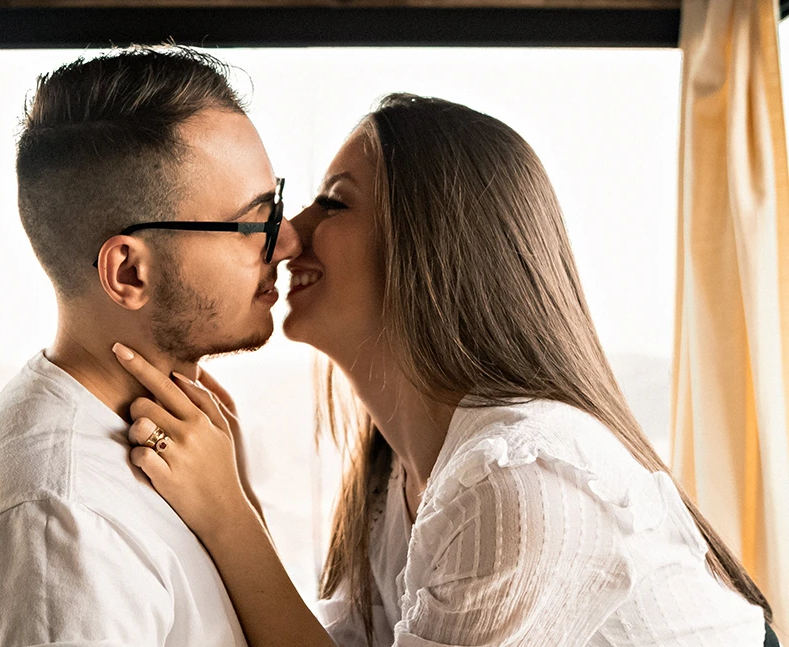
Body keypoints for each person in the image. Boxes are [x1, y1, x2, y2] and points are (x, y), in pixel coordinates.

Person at [113, 93, 776, 646]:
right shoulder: (396, 470)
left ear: (431, 247)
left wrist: (228, 517)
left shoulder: (517, 479)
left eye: (334, 203)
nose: (287, 236)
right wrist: (239, 502)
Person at [0, 46, 300, 647]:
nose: (288, 241)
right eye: (255, 223)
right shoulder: (61, 521)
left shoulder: (172, 452)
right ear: (128, 273)